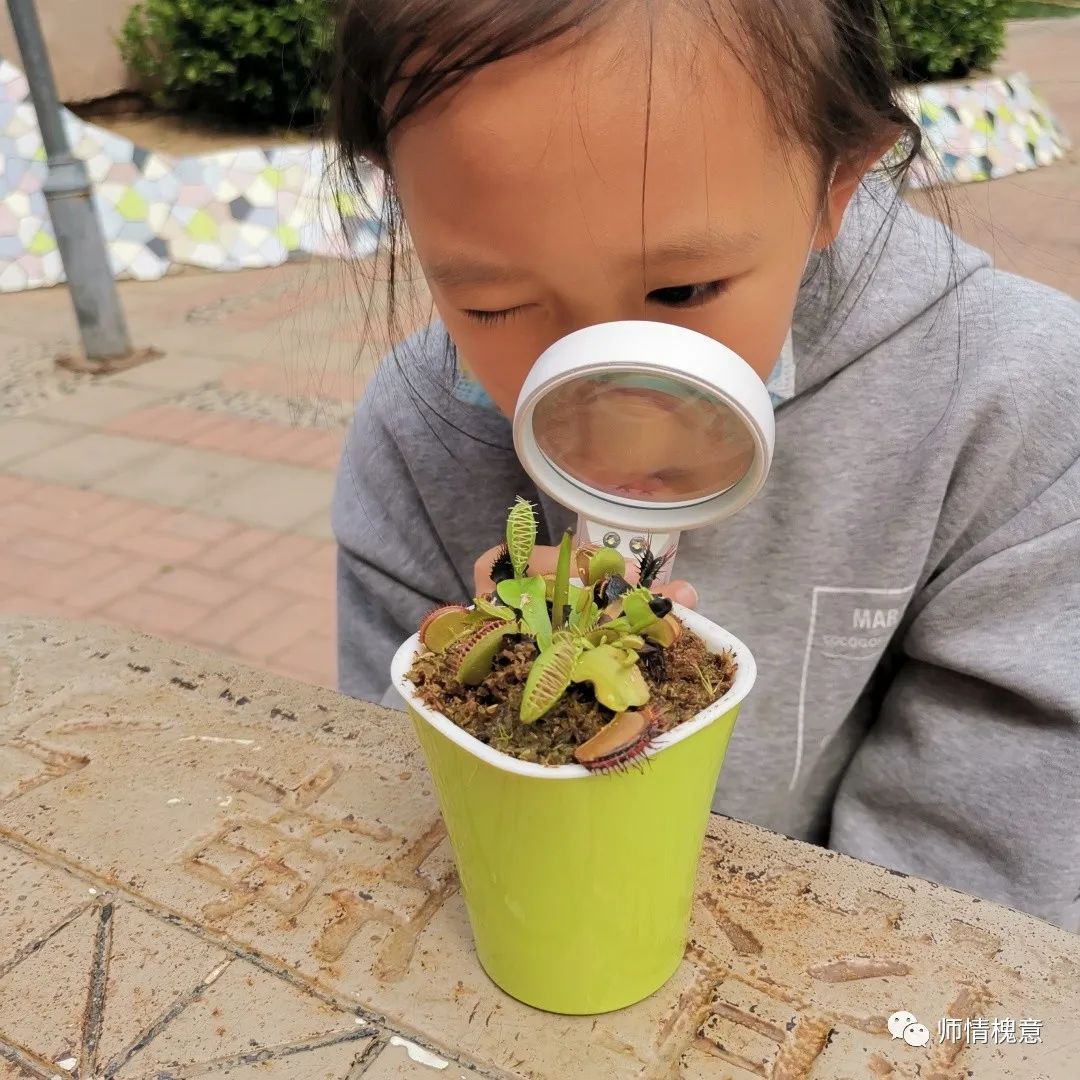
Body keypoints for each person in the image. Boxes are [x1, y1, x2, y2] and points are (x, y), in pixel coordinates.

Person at [328, 0, 1080, 931]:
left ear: (834, 185)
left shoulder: (1015, 407)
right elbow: (398, 783)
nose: (609, 399)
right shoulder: (417, 426)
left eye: (681, 291)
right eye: (491, 303)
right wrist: (495, 699)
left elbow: (976, 873)